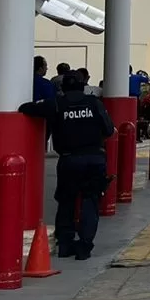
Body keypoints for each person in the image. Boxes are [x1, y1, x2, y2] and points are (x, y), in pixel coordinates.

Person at [19, 71, 115, 260]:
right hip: (94, 158)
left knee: (66, 201)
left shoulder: (56, 103)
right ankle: (85, 246)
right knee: (90, 201)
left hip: (69, 160)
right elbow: (109, 129)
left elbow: (26, 108)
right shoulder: (94, 103)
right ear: (82, 86)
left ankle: (65, 244)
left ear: (62, 88)